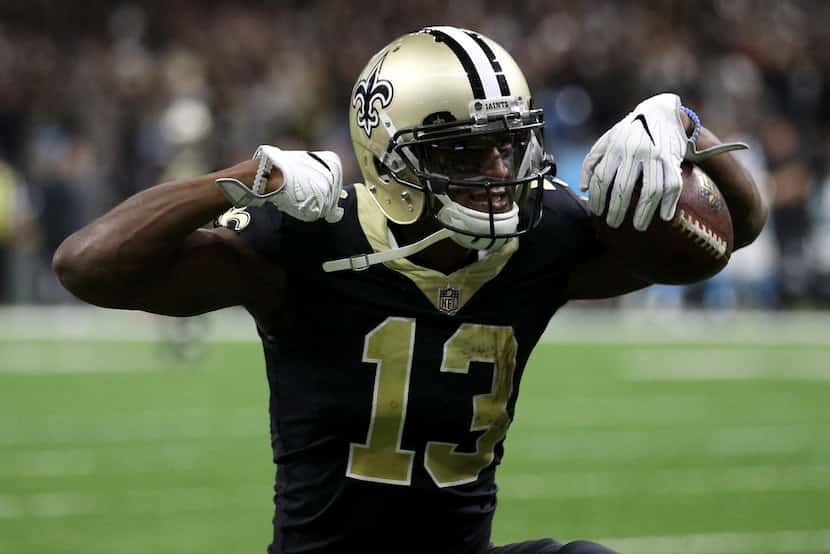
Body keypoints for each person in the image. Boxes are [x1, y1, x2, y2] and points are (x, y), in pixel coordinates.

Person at [53, 26, 766, 554]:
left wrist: (687, 129)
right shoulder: (316, 237)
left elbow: (730, 236)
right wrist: (246, 178)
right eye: (460, 151)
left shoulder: (542, 235)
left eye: (507, 144)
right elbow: (86, 264)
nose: (495, 171)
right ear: (388, 159)